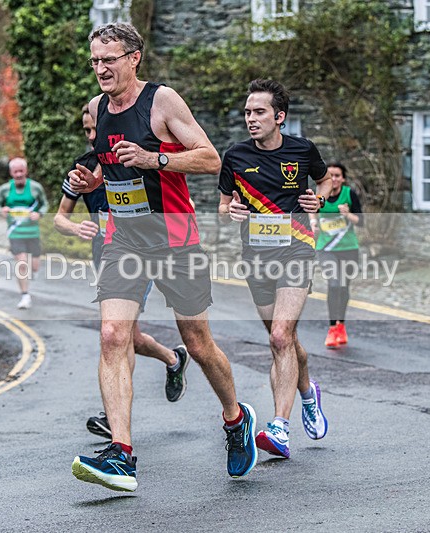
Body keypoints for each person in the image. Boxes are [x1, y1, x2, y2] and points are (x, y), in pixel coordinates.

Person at [68, 22, 257, 492]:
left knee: (196, 342)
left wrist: (157, 160)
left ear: (134, 58)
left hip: (175, 240)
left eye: (109, 59)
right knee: (113, 334)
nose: (101, 69)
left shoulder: (163, 101)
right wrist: (97, 184)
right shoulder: (97, 109)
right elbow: (117, 173)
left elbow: (212, 159)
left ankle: (235, 420)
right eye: (94, 60)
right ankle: (121, 455)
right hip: (125, 240)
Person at [53, 104, 191, 439]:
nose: (91, 136)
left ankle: (111, 419)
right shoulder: (84, 166)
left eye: (94, 129)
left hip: (137, 248)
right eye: (86, 131)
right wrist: (75, 229)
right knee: (128, 335)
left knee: (117, 333)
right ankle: (173, 358)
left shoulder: (132, 155)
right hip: (105, 254)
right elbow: (60, 217)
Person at [218, 78, 331, 460]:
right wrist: (230, 210)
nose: (251, 118)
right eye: (248, 112)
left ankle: (279, 427)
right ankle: (307, 394)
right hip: (257, 258)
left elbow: (326, 179)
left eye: (259, 112)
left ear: (279, 116)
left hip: (296, 250)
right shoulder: (234, 156)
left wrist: (319, 200)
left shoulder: (302, 150)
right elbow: (223, 204)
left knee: (281, 336)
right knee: (283, 339)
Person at [309, 162, 363, 348]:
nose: (333, 179)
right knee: (334, 283)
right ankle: (332, 328)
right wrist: (313, 222)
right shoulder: (320, 196)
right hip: (326, 249)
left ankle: (341, 324)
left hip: (348, 249)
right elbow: (312, 212)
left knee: (343, 287)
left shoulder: (349, 195)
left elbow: (361, 221)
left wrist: (348, 215)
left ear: (343, 178)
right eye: (330, 175)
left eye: (337, 175)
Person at [0, 158, 48, 310]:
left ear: (26, 171)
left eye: (21, 171)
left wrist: (39, 213)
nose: (18, 174)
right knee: (22, 263)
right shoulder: (5, 189)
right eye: (15, 172)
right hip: (15, 232)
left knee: (35, 266)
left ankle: (34, 272)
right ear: (11, 173)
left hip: (32, 231)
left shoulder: (36, 187)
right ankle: (25, 295)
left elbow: (44, 204)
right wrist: (2, 211)